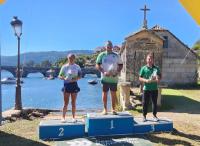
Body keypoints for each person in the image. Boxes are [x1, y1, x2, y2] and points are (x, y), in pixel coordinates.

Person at [96, 41, 123, 115]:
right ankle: (105, 109)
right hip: (105, 78)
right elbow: (97, 65)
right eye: (108, 47)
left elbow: (121, 65)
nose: (109, 48)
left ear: (112, 47)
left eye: (110, 47)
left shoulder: (116, 55)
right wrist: (103, 72)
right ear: (105, 47)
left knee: (113, 94)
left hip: (114, 78)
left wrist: (117, 72)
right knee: (104, 93)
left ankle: (113, 109)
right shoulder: (102, 55)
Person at [58, 53, 82, 123]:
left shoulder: (77, 67)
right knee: (65, 103)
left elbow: (80, 76)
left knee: (73, 102)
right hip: (66, 85)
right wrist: (64, 78)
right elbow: (59, 76)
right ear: (67, 58)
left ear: (74, 59)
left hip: (74, 84)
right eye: (69, 58)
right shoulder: (64, 67)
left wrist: (75, 79)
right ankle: (63, 117)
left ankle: (73, 117)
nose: (71, 60)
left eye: (72, 58)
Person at [139, 52, 161, 122]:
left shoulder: (156, 68)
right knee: (145, 103)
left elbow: (160, 76)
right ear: (146, 60)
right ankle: (144, 116)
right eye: (149, 59)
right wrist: (145, 80)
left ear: (153, 60)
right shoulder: (143, 68)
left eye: (151, 59)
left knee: (154, 103)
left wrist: (158, 78)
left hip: (154, 88)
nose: (150, 60)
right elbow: (140, 78)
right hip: (146, 89)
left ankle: (154, 116)